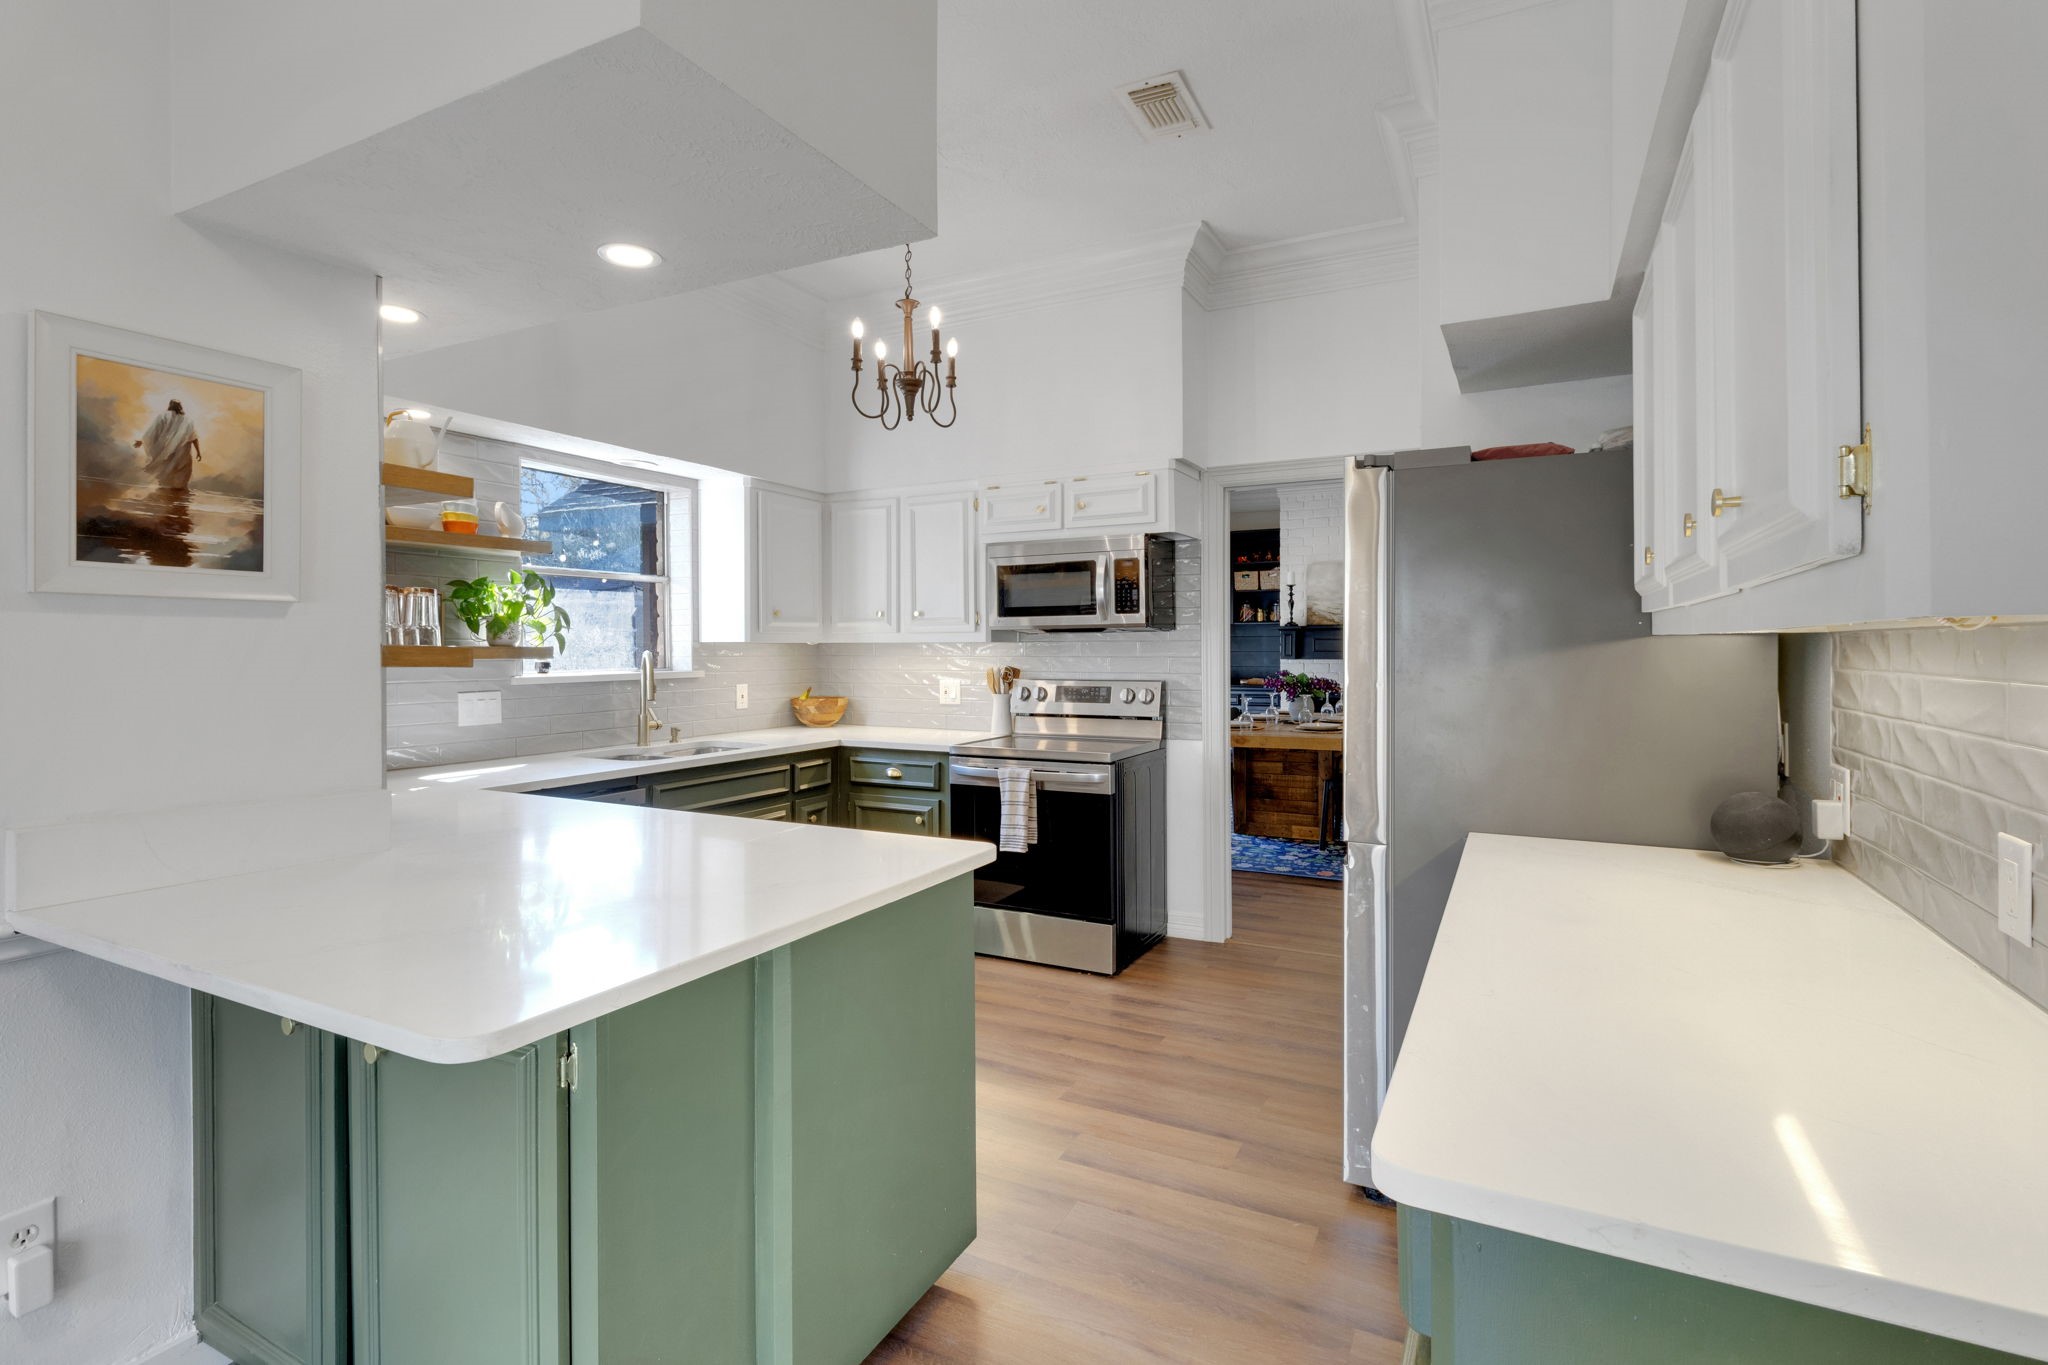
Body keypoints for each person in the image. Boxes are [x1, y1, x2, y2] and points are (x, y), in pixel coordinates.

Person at [134, 399, 202, 489]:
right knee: (181, 479)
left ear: (170, 405)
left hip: (166, 451)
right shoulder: (187, 420)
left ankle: (165, 498)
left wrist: (142, 441)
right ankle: (177, 499)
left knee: (165, 477)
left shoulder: (162, 416)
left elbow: (152, 432)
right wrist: (198, 452)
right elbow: (194, 438)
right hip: (182, 453)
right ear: (180, 407)